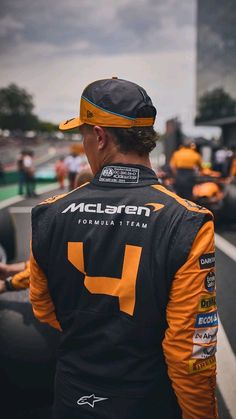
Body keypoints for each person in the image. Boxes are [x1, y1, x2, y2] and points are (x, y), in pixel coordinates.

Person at [29, 77, 218, 419]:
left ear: (100, 136)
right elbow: (190, 352)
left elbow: (44, 309)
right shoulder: (187, 221)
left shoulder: (48, 213)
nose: (84, 143)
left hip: (73, 397)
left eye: (84, 134)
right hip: (147, 401)